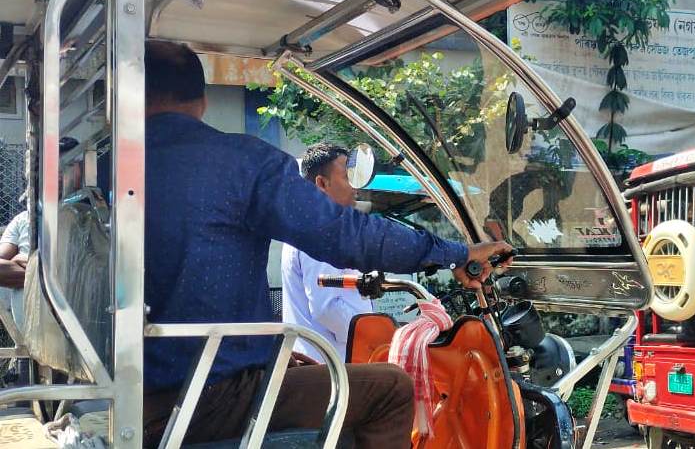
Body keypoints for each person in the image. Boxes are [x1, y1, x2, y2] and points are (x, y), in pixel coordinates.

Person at [140, 40, 513, 448]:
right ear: (203, 100)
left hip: (138, 394)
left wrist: (268, 356)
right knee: (390, 387)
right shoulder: (239, 162)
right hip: (208, 397)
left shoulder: (108, 164)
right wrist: (458, 253)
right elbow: (347, 236)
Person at [281, 143, 373, 362]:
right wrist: (378, 333)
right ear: (322, 183)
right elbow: (327, 308)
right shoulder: (320, 230)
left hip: (326, 361)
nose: (355, 188)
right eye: (348, 178)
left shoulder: (308, 226)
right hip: (330, 366)